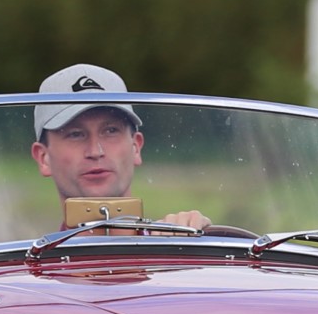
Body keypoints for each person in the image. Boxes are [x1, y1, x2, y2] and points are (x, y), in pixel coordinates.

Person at [31, 64, 208, 230]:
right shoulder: (28, 254)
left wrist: (198, 241)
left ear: (136, 147)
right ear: (43, 158)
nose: (95, 152)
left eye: (111, 131)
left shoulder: (176, 245)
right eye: (75, 134)